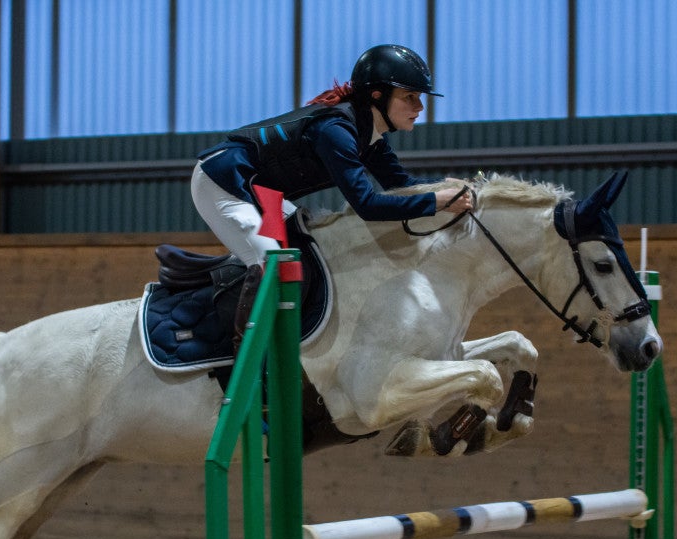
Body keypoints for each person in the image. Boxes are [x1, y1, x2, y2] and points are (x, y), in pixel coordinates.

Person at [190, 44, 473, 346]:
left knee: (309, 249)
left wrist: (445, 187)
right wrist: (435, 201)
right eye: (410, 97)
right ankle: (244, 364)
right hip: (224, 181)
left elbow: (400, 184)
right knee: (270, 262)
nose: (420, 107)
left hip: (262, 192)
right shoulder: (335, 130)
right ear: (377, 95)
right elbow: (367, 205)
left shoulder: (369, 135)